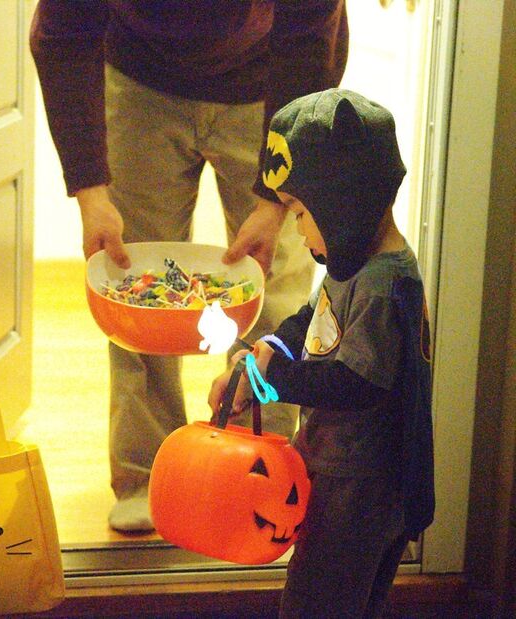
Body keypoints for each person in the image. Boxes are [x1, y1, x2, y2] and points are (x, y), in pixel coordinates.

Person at [30, 0, 349, 532]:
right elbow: (62, 37)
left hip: (271, 83)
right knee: (132, 286)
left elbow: (312, 39)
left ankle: (264, 468)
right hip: (139, 81)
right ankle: (148, 474)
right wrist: (91, 194)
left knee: (277, 285)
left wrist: (274, 200)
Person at [208, 88, 435, 618]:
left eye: (303, 213)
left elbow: (358, 383)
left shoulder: (384, 284)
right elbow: (312, 319)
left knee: (318, 601)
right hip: (340, 472)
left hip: (360, 488)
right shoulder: (351, 264)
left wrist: (276, 377)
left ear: (343, 203)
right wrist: (265, 349)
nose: (298, 229)